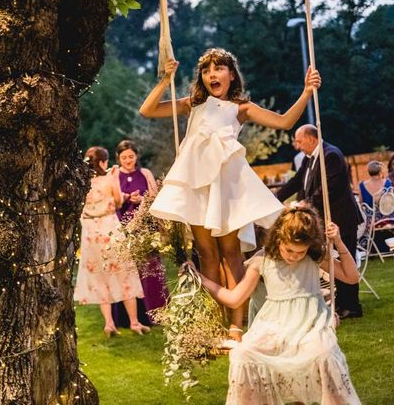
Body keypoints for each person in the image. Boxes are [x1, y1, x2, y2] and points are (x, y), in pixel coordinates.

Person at [139, 48, 321, 342]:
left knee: (231, 254)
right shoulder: (193, 105)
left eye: (219, 68)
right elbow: (147, 110)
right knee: (207, 255)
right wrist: (164, 79)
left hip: (227, 188)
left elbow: (285, 122)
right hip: (197, 185)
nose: (212, 74)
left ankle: (236, 327)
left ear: (231, 74)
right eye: (207, 70)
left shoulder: (241, 108)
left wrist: (307, 92)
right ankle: (213, 324)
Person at [190, 206, 360, 404]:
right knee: (243, 354)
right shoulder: (263, 259)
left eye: (300, 252)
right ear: (278, 238)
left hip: (310, 323)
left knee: (324, 354)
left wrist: (338, 242)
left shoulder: (313, 256)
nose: (293, 256)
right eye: (289, 249)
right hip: (274, 324)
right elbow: (234, 298)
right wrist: (199, 278)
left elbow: (351, 277)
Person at [277, 124, 363, 319]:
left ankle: (352, 306)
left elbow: (330, 187)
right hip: (325, 220)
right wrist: (274, 197)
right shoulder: (310, 159)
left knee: (344, 257)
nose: (296, 146)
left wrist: (305, 203)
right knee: (332, 261)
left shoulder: (331, 155)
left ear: (311, 138)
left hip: (341, 217)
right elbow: (297, 182)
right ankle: (341, 303)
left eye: (298, 141)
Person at [74, 146, 150, 336]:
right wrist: (123, 197)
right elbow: (117, 201)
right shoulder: (110, 177)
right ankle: (134, 322)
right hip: (109, 228)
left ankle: (109, 323)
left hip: (91, 232)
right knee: (125, 274)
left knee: (100, 278)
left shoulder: (82, 182)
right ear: (102, 162)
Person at [111, 140, 169, 328]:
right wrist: (126, 198)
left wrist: (141, 199)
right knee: (127, 272)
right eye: (124, 157)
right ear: (118, 158)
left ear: (137, 156)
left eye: (131, 156)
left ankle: (157, 313)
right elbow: (110, 200)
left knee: (150, 271)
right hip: (122, 228)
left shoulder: (145, 174)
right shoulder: (114, 175)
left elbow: (155, 198)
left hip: (144, 227)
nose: (128, 160)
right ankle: (128, 318)